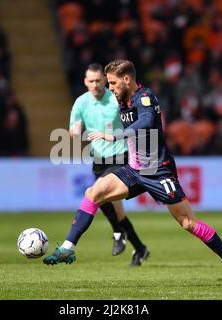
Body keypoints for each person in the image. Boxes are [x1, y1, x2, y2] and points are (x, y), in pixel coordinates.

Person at [43, 60, 222, 288]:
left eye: (112, 83)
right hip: (134, 169)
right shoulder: (119, 98)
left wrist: (113, 136)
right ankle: (67, 249)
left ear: (127, 79)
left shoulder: (145, 96)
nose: (109, 88)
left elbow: (146, 120)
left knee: (188, 224)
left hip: (158, 170)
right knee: (93, 192)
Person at [69, 63, 147, 264]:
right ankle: (139, 248)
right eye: (91, 81)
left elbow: (132, 116)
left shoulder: (115, 98)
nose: (95, 84)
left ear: (104, 80)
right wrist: (75, 130)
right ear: (85, 82)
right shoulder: (81, 103)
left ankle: (118, 235)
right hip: (98, 159)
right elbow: (73, 128)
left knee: (98, 195)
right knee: (112, 207)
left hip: (121, 155)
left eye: (98, 80)